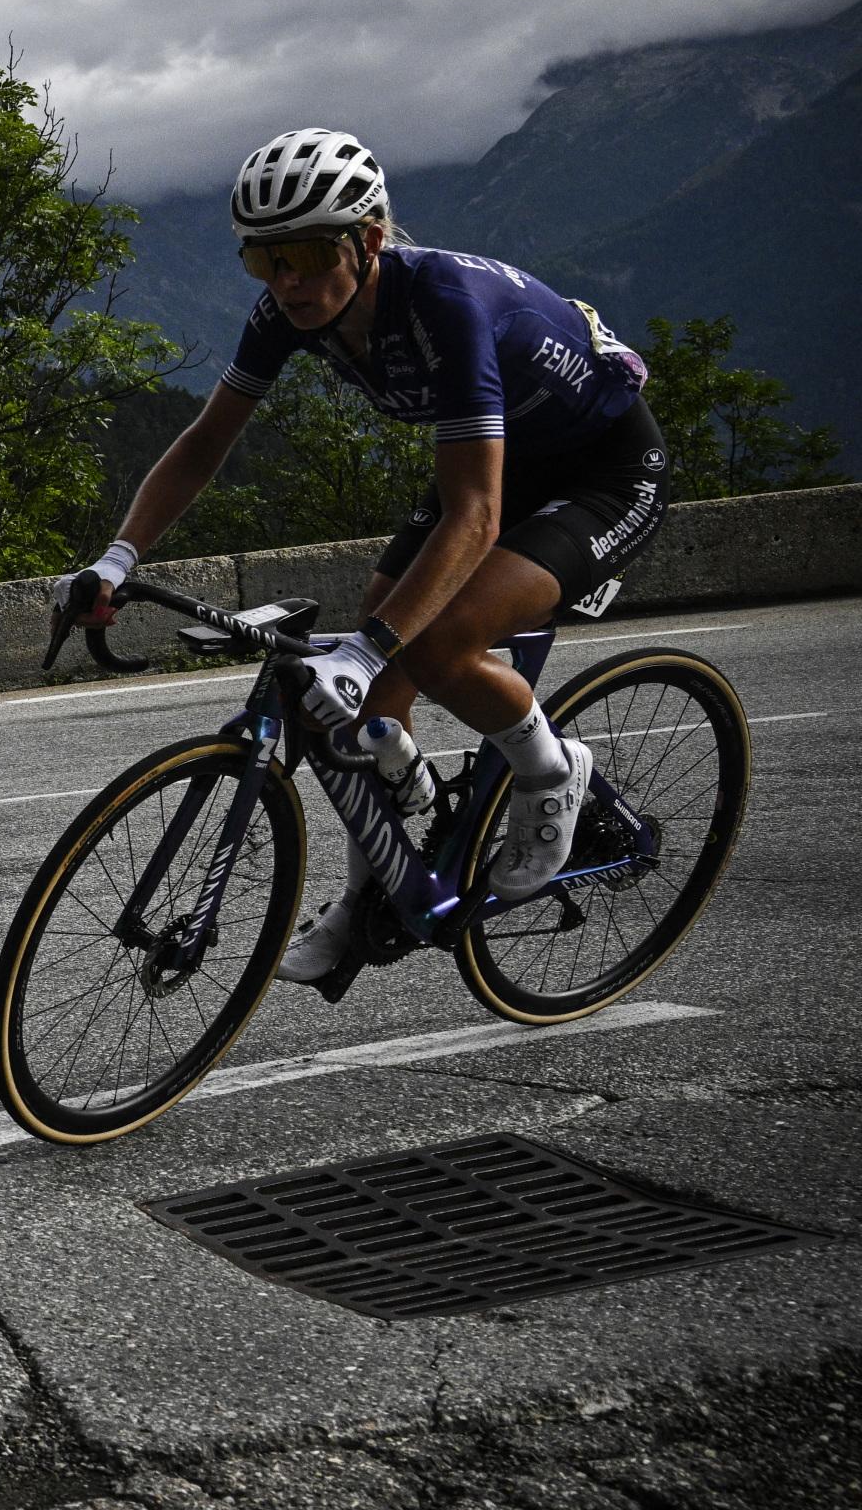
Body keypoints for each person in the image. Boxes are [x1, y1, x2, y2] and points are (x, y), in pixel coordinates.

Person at [56, 127, 668, 982]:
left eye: (306, 254)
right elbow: (203, 443)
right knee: (358, 682)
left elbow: (477, 513)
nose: (288, 281)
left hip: (604, 470)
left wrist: (378, 646)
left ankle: (554, 773)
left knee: (435, 643)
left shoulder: (445, 305)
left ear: (369, 240)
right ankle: (378, 886)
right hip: (502, 457)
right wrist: (116, 558)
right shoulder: (289, 312)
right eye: (264, 260)